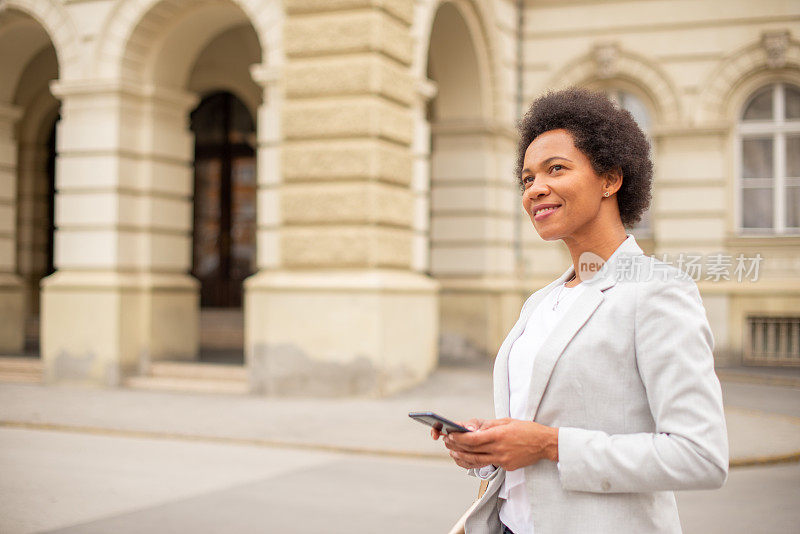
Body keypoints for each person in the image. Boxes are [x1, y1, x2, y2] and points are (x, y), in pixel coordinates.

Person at [431, 87, 728, 534]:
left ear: (610, 180)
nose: (536, 189)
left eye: (556, 169)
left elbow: (701, 456)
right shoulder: (542, 300)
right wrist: (487, 446)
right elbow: (535, 435)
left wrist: (549, 445)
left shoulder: (657, 292)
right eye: (527, 178)